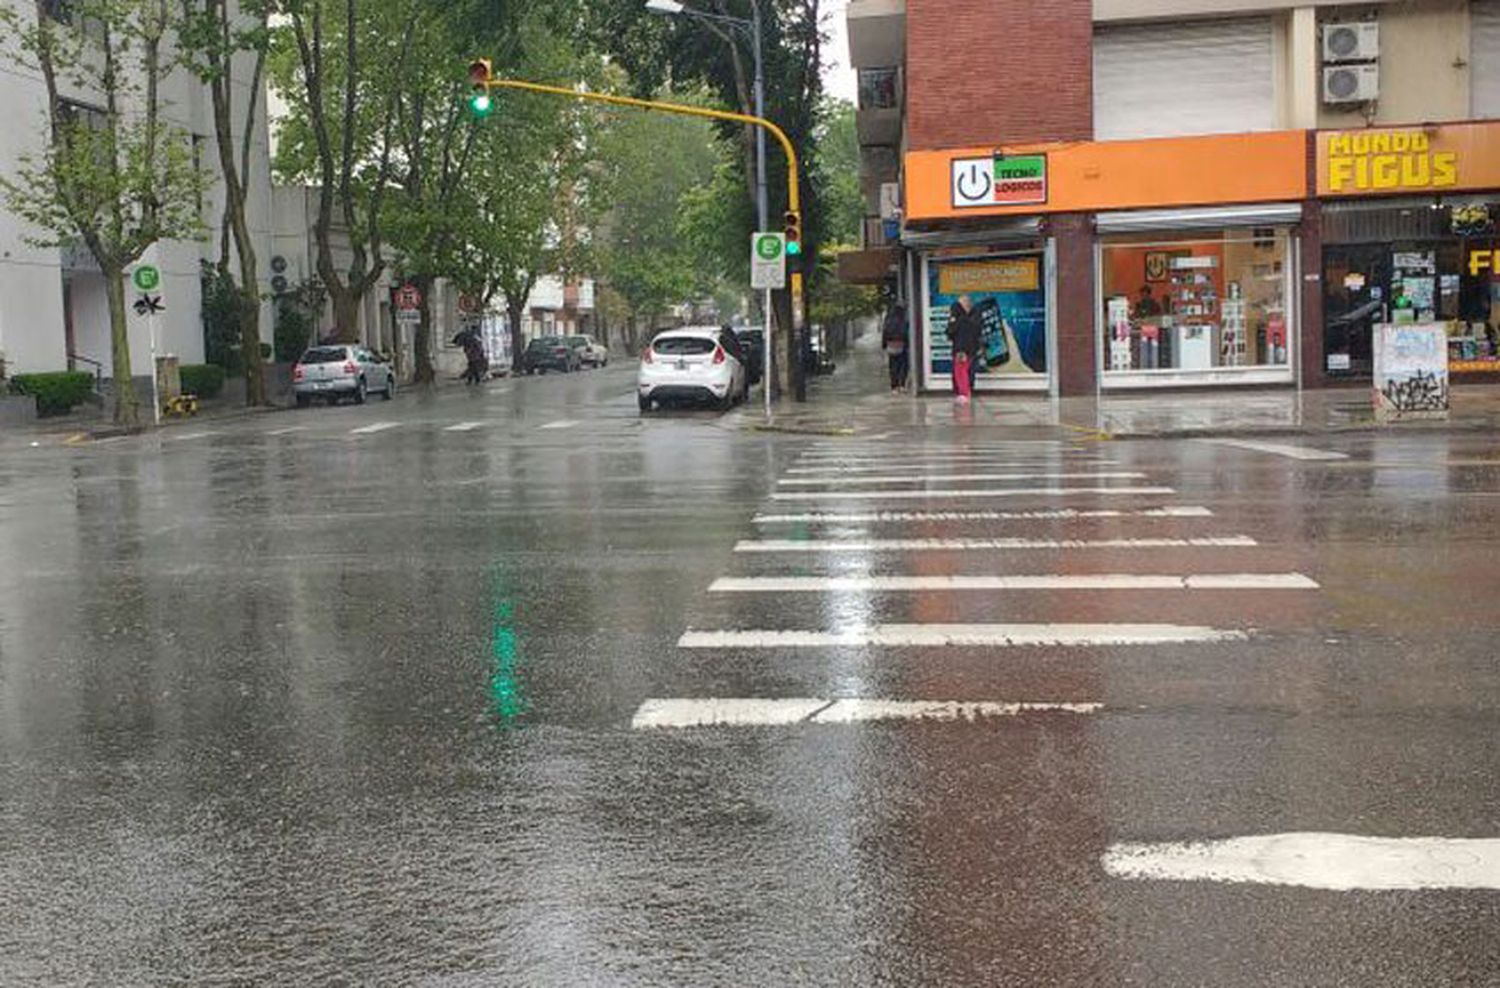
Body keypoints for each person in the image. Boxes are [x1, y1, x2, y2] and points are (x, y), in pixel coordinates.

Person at [946, 294, 982, 403]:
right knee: (964, 371)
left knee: (960, 371)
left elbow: (950, 332)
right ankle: (966, 392)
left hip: (962, 350)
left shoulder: (960, 321)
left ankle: (964, 393)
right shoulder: (972, 320)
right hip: (971, 350)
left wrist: (961, 351)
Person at [881, 302, 908, 392]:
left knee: (893, 366)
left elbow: (885, 333)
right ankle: (902, 385)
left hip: (891, 345)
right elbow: (906, 333)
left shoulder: (888, 320)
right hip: (902, 345)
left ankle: (894, 386)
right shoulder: (903, 320)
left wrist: (884, 345)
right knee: (903, 366)